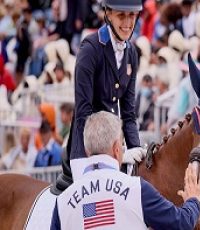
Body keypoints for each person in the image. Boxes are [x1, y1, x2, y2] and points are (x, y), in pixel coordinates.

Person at [52, 0, 147, 194]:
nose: (128, 23)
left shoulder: (131, 54)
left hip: (114, 146)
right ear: (108, 14)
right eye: (121, 15)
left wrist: (136, 152)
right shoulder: (90, 49)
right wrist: (115, 156)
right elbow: (84, 112)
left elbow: (128, 114)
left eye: (132, 16)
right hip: (86, 148)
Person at [50, 111, 200, 230]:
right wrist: (193, 200)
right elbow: (182, 224)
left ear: (87, 150)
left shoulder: (63, 202)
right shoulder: (137, 189)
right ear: (117, 149)